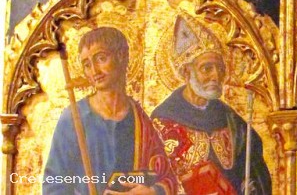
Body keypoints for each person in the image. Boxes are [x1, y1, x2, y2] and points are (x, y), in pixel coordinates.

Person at [44, 27, 178, 195]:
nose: (95, 71)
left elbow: (166, 177)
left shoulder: (138, 118)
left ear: (121, 56)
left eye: (101, 58)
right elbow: (53, 183)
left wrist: (151, 191)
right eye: (87, 64)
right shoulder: (74, 117)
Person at [151, 16, 272, 195]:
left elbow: (256, 175)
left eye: (220, 69)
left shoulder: (234, 124)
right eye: (207, 68)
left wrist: (250, 187)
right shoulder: (161, 123)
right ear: (186, 72)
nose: (216, 76)